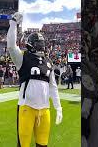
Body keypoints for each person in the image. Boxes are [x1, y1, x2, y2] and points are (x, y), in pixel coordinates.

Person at [7, 12, 62, 147]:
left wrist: (58, 107)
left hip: (45, 109)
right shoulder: (23, 58)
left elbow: (53, 87)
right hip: (27, 107)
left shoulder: (48, 61)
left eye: (42, 43)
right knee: (24, 145)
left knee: (43, 145)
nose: (41, 46)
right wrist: (13, 24)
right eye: (38, 43)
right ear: (31, 44)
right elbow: (11, 47)